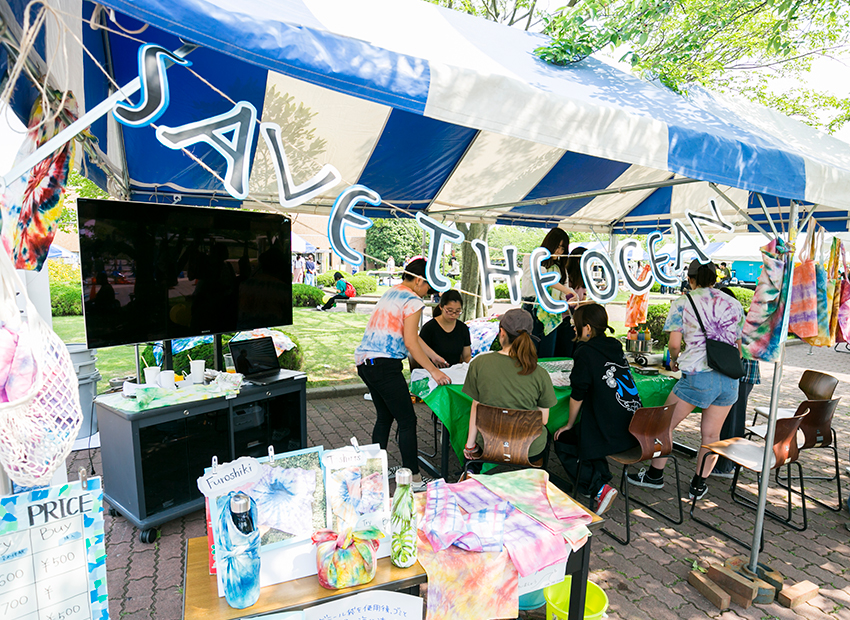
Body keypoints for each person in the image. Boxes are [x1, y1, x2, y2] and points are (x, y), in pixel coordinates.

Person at [628, 260, 743, 500]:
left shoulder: (684, 302)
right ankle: (698, 486)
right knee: (712, 436)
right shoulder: (733, 303)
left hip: (698, 375)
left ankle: (654, 476)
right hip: (730, 378)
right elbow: (739, 347)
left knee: (664, 426)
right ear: (715, 279)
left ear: (690, 279)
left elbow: (673, 345)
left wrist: (674, 361)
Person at [355, 258, 450, 491]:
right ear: (419, 280)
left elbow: (412, 337)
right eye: (429, 285)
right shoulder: (413, 300)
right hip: (385, 366)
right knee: (407, 420)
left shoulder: (392, 293)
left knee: (385, 417)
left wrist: (435, 356)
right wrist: (434, 371)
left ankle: (374, 472)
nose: (429, 291)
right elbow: (410, 341)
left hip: (366, 363)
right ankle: (415, 479)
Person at [553, 303, 640, 514]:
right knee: (586, 434)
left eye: (576, 325)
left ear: (588, 328)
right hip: (635, 425)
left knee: (563, 438)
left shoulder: (585, 352)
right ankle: (602, 480)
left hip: (611, 429)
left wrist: (568, 424)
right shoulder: (614, 345)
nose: (573, 328)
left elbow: (578, 393)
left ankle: (598, 488)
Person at [462, 308, 556, 470]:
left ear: (502, 333)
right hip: (529, 450)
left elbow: (476, 409)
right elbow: (544, 419)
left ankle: (471, 473)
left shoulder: (479, 363)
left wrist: (470, 446)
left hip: (490, 444)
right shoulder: (540, 373)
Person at [713, 287, 760, 477]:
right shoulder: (742, 316)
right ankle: (727, 463)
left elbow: (736, 351)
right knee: (732, 417)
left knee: (732, 419)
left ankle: (726, 466)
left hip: (741, 374)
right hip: (743, 374)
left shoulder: (736, 319)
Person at [520, 227, 574, 358]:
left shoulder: (560, 268)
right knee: (528, 355)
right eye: (558, 246)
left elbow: (564, 293)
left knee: (547, 356)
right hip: (531, 309)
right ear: (550, 243)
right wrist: (567, 290)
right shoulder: (531, 259)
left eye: (563, 249)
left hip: (552, 315)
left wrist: (572, 299)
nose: (559, 251)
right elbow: (540, 277)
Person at [417, 290, 472, 368]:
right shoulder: (429, 328)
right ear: (441, 307)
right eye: (449, 311)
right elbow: (420, 354)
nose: (453, 315)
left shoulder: (462, 328)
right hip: (431, 371)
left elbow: (466, 357)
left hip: (455, 371)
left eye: (457, 311)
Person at [555, 246, 587, 358]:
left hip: (576, 321)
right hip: (564, 321)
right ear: (578, 260)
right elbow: (566, 299)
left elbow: (582, 301)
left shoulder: (583, 279)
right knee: (565, 354)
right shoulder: (566, 277)